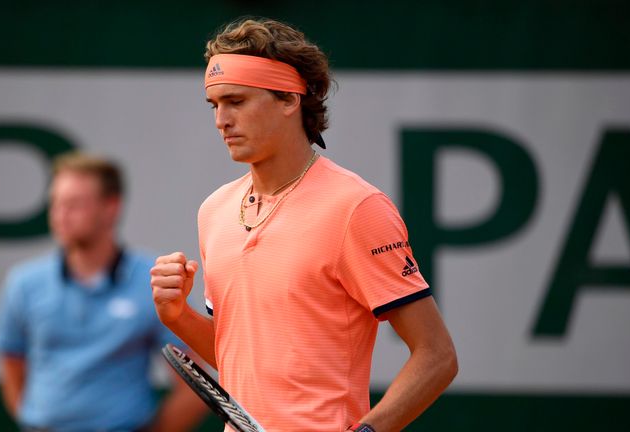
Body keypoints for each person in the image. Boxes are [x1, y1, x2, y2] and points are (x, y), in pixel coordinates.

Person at [150, 17, 458, 432]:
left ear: (290, 99)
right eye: (215, 104)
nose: (221, 120)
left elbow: (437, 356)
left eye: (237, 102)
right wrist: (176, 315)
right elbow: (240, 358)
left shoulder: (356, 208)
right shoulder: (214, 210)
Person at [0, 152, 207, 432]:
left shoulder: (150, 280)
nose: (60, 214)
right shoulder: (23, 283)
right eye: (56, 203)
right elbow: (12, 370)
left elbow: (194, 381)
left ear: (111, 208)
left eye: (74, 204)